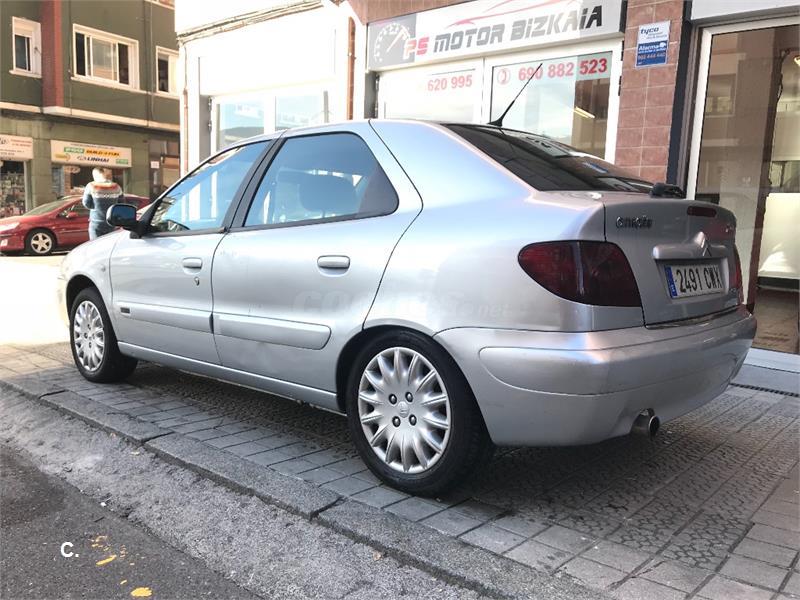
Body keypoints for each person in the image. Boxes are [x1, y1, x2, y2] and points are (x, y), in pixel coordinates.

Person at [82, 168, 123, 240]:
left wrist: (96, 207)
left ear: (95, 175)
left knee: (95, 244)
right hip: (111, 222)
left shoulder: (91, 186)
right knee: (109, 244)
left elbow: (86, 203)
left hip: (96, 221)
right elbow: (121, 203)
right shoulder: (116, 186)